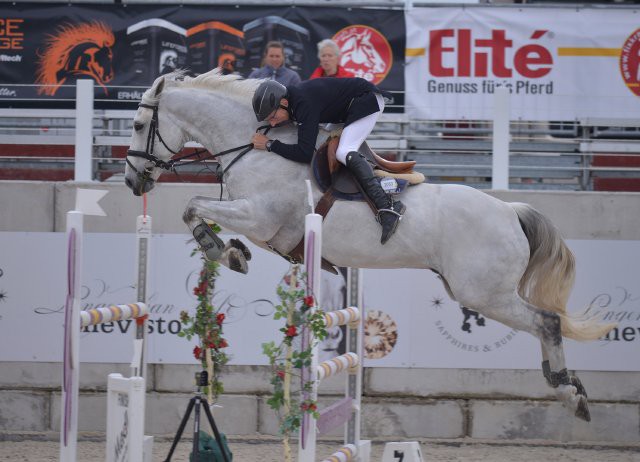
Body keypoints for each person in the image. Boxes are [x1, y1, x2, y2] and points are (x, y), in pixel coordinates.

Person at [250, 78, 405, 245]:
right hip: (347, 106)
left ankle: (387, 207)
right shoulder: (295, 103)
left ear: (284, 102)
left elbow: (304, 153)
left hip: (366, 101)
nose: (273, 123)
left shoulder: (303, 104)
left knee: (344, 152)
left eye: (273, 116)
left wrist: (269, 144)